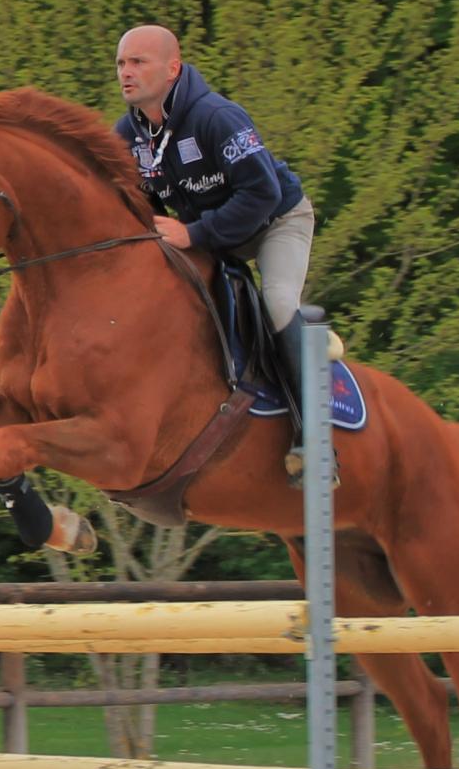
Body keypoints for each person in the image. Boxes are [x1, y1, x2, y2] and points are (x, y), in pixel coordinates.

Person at [112, 24, 323, 482]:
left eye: (137, 62)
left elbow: (262, 193)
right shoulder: (127, 136)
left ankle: (314, 436)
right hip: (209, 236)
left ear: (173, 68)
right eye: (121, 64)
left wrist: (194, 234)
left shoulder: (215, 116)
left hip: (274, 223)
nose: (126, 73)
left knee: (278, 302)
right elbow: (139, 209)